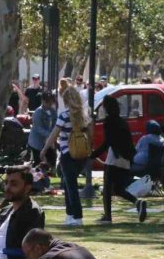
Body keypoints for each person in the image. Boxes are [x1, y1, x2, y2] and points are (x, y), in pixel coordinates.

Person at [41, 86, 92, 227]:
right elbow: (90, 133)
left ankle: (76, 216)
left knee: (70, 186)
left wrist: (45, 149)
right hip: (82, 155)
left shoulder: (64, 115)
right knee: (70, 185)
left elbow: (54, 134)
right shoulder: (85, 115)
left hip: (67, 153)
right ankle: (70, 215)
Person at [91, 96, 145, 225]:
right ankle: (138, 202)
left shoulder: (109, 122)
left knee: (107, 188)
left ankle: (107, 216)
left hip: (114, 157)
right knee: (118, 189)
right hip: (126, 158)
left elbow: (107, 143)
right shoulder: (122, 121)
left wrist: (93, 155)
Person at [27, 93, 57, 167]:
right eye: (48, 102)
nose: (50, 104)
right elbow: (38, 128)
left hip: (48, 141)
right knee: (38, 162)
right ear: (43, 101)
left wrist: (54, 133)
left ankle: (50, 173)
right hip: (36, 141)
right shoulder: (38, 112)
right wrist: (50, 135)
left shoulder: (53, 111)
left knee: (52, 159)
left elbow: (55, 123)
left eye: (51, 102)